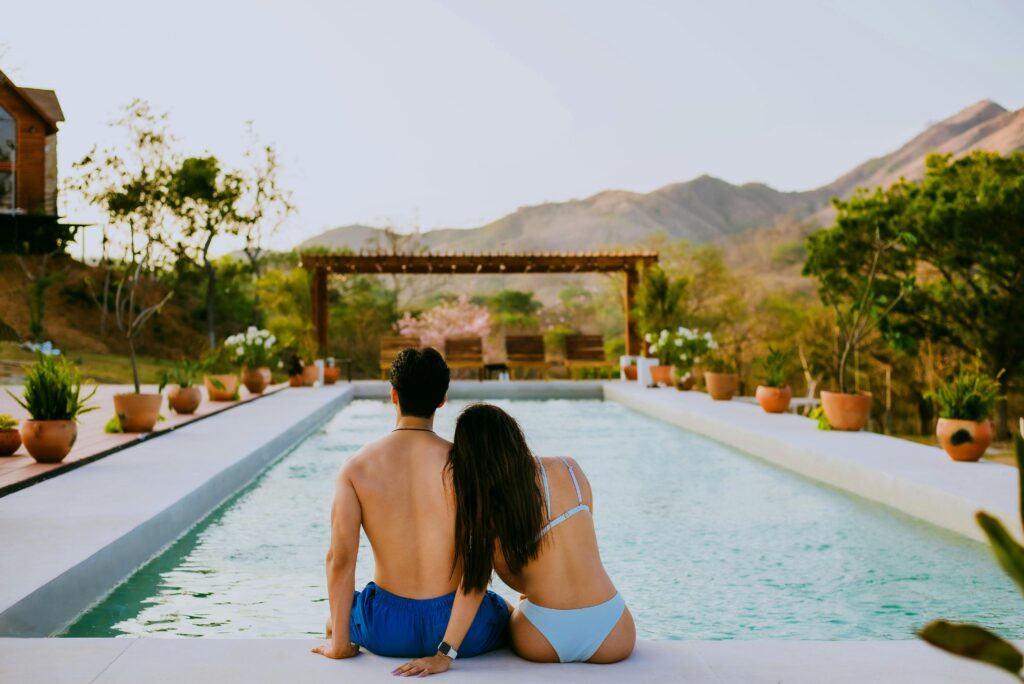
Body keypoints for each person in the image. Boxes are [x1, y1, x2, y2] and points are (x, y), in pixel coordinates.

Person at [393, 403, 635, 677]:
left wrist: (443, 655)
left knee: (507, 608)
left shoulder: (489, 512)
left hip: (542, 639)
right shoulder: (571, 469)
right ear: (514, 436)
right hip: (614, 633)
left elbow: (473, 587)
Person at [311, 348, 509, 665]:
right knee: (509, 613)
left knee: (334, 622)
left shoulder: (355, 468)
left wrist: (339, 645)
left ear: (393, 395)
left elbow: (340, 559)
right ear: (442, 399)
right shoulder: (467, 465)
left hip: (386, 629)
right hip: (459, 630)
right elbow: (480, 561)